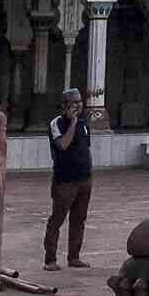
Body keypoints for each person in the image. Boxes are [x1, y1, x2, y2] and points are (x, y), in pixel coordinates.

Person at [45, 88, 92, 272]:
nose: (78, 106)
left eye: (80, 102)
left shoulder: (84, 124)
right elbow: (63, 145)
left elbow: (85, 148)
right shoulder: (57, 123)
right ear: (65, 106)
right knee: (57, 219)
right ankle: (50, 259)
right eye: (74, 103)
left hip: (84, 179)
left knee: (79, 219)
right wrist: (72, 123)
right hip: (64, 180)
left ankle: (74, 257)